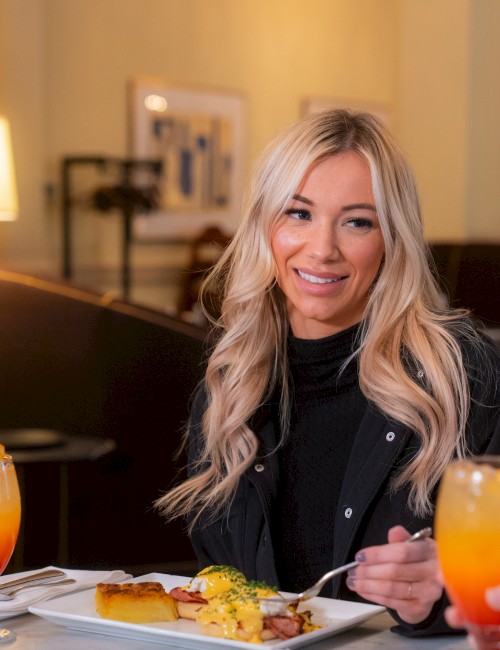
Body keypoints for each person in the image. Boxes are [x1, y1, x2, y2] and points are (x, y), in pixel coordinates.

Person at [157, 109, 500, 636]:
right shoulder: (232, 380)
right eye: (299, 214)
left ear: (391, 239)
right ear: (264, 225)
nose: (322, 249)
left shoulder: (462, 369)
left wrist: (451, 586)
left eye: (357, 222)